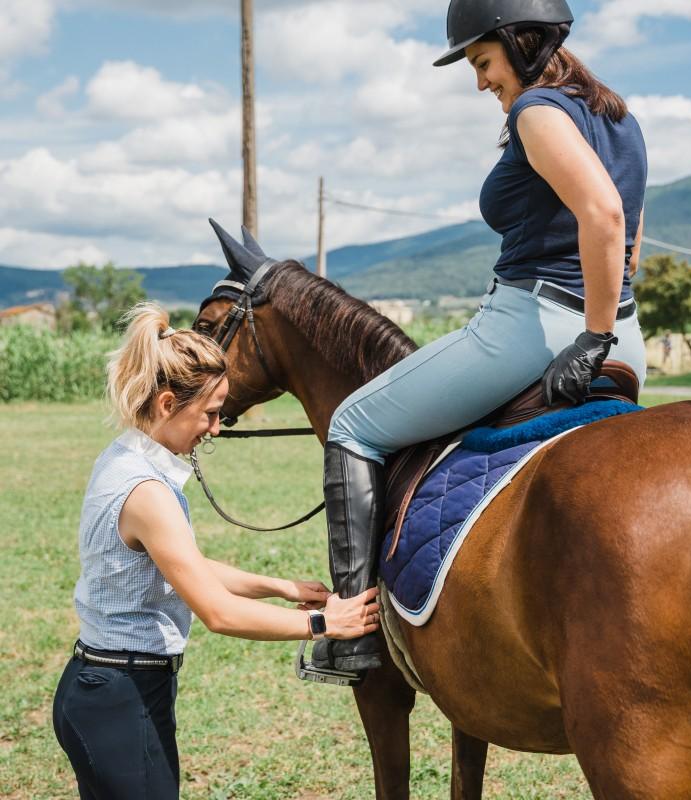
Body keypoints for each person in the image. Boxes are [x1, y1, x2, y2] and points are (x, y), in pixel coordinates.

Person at [309, 0, 648, 678]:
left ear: (520, 44)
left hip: (535, 328)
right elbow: (632, 235)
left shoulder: (537, 112)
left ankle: (353, 635)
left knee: (352, 424)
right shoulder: (620, 118)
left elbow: (604, 214)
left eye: (483, 63)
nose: (480, 82)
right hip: (627, 339)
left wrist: (589, 334)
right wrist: (608, 332)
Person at [52, 303, 380, 800]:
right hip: (122, 697)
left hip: (107, 690)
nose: (215, 429)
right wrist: (326, 625)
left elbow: (186, 567)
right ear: (167, 404)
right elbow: (218, 612)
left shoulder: (123, 456)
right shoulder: (147, 492)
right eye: (208, 413)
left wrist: (281, 587)